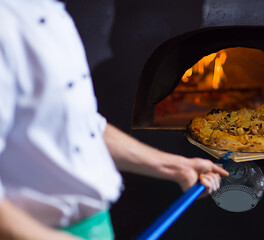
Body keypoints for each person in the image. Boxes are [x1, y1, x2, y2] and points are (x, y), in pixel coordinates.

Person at [0, 0, 229, 239]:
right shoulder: (5, 20)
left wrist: (177, 167)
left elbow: (81, 127)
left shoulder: (53, 13)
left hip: (95, 226)